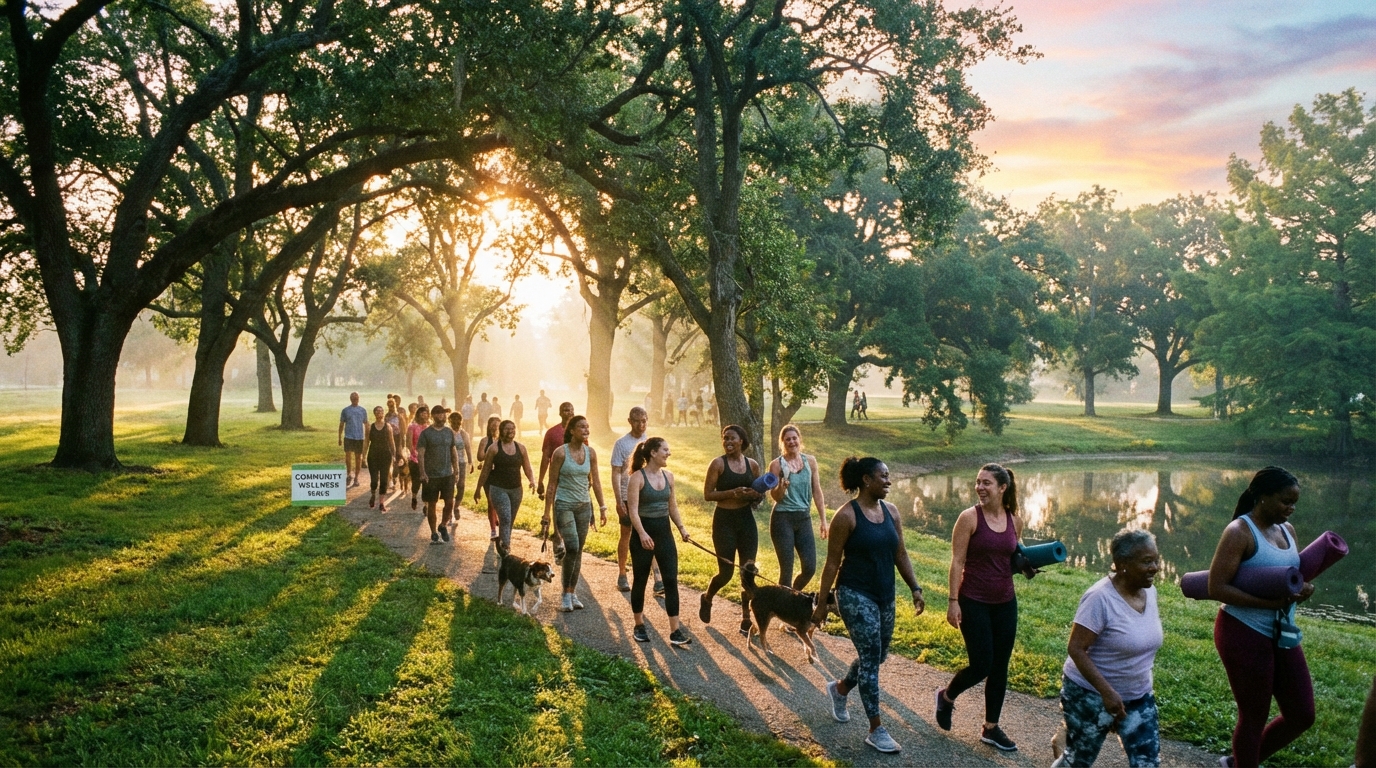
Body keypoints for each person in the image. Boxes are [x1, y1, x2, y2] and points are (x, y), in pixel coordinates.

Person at [813, 456, 925, 754]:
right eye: (883, 476)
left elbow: (900, 553)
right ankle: (876, 729)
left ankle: (839, 690)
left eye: (888, 476)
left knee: (877, 655)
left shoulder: (892, 512)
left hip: (884, 594)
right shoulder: (846, 516)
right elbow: (832, 562)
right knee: (871, 658)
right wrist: (823, 602)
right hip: (853, 592)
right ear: (866, 480)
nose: (889, 481)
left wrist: (915, 587)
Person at [1207, 466, 1315, 768]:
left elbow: (1290, 576)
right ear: (1262, 496)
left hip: (1282, 632)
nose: (1290, 509)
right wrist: (1267, 605)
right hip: (1242, 630)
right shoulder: (1239, 532)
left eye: (1294, 503)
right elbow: (1217, 587)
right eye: (1285, 502)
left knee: (1302, 714)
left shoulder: (1287, 530)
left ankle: (1236, 763)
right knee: (1254, 716)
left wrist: (1303, 589)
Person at [935, 463, 1025, 752]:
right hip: (973, 601)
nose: (980, 488)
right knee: (981, 664)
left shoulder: (1015, 521)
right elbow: (957, 562)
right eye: (978, 482)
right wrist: (953, 602)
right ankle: (947, 696)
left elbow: (1012, 560)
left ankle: (991, 728)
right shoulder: (969, 518)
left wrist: (1027, 567)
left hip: (1005, 602)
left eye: (987, 483)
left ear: (1002, 487)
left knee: (1000, 666)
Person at [1055, 529, 1164, 768]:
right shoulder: (1099, 598)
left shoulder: (1150, 592)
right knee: (1078, 761)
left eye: (1156, 560)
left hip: (1138, 696)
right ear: (1122, 564)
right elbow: (1076, 649)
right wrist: (1107, 693)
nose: (1155, 567)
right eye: (1147, 561)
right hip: (1089, 695)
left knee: (1147, 763)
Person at [625, 437, 692, 646]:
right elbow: (632, 511)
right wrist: (643, 534)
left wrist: (682, 529)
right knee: (641, 579)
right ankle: (639, 625)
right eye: (665, 449)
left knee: (671, 580)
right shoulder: (637, 478)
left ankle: (675, 631)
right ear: (653, 453)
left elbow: (672, 507)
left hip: (664, 533)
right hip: (642, 534)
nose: (668, 453)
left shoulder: (669, 477)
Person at [697, 425, 763, 635]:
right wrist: (732, 493)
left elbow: (759, 495)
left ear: (741, 441)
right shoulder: (718, 464)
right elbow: (708, 494)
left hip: (746, 521)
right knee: (725, 573)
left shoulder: (752, 465)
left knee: (748, 572)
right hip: (724, 521)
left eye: (732, 438)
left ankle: (745, 619)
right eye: (725, 438)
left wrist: (754, 495)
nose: (727, 442)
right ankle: (707, 598)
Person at [541, 415, 608, 612]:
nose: (586, 430)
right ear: (571, 431)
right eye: (581, 427)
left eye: (587, 427)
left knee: (578, 551)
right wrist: (547, 514)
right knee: (572, 546)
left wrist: (602, 507)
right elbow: (552, 485)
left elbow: (595, 481)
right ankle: (564, 594)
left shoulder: (591, 453)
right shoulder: (560, 453)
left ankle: (572, 592)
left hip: (584, 506)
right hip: (564, 505)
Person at [768, 425, 829, 591]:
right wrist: (781, 487)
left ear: (799, 440)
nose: (792, 442)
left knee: (810, 567)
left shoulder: (810, 461)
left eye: (794, 438)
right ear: (783, 442)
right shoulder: (776, 465)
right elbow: (775, 497)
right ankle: (784, 607)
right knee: (786, 570)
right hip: (782, 518)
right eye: (787, 439)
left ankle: (793, 595)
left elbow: (817, 490)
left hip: (803, 518)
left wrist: (823, 520)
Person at [611, 407, 660, 594]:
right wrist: (618, 500)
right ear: (629, 421)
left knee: (650, 533)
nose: (641, 425)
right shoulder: (621, 444)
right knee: (626, 533)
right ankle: (622, 573)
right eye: (637, 421)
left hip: (646, 495)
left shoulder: (651, 443)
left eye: (644, 421)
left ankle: (657, 577)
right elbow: (616, 472)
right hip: (626, 494)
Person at [475, 419, 538, 552]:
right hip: (498, 489)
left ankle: (503, 543)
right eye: (507, 428)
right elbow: (485, 470)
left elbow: (527, 467)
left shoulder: (521, 448)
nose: (510, 431)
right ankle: (506, 550)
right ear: (501, 430)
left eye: (513, 428)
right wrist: (478, 489)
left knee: (509, 521)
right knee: (505, 517)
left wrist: (532, 480)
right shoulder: (494, 448)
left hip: (516, 490)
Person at [416, 405, 461, 545]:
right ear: (432, 416)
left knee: (449, 502)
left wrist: (456, 470)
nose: (441, 416)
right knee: (432, 504)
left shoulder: (449, 432)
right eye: (437, 414)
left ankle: (442, 525)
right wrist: (422, 472)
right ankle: (434, 532)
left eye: (442, 414)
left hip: (447, 474)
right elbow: (421, 454)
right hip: (431, 476)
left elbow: (453, 451)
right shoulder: (426, 434)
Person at [538, 401, 577, 559]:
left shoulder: (579, 432)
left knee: (572, 509)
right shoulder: (552, 433)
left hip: (574, 479)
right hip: (557, 477)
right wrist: (540, 480)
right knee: (557, 507)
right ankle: (558, 538)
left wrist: (589, 478)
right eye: (565, 410)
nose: (568, 412)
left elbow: (585, 454)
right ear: (560, 413)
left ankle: (568, 540)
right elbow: (545, 457)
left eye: (571, 410)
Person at [362, 405, 396, 511]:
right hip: (373, 455)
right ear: (374, 413)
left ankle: (381, 502)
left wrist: (394, 455)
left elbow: (391, 442)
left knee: (384, 479)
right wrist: (363, 456)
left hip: (386, 455)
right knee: (374, 480)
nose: (379, 413)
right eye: (377, 411)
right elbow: (366, 442)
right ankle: (373, 494)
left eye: (381, 411)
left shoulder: (388, 426)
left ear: (383, 413)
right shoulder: (370, 427)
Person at [477, 415, 502, 540]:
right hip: (489, 475)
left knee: (500, 502)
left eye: (497, 426)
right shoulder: (484, 441)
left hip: (501, 474)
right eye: (493, 426)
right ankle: (493, 530)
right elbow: (479, 456)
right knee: (491, 502)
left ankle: (497, 518)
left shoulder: (504, 440)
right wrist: (491, 452)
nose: (495, 428)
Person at [447, 411, 473, 526]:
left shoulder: (464, 434)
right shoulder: (447, 433)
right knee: (450, 488)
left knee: (461, 486)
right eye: (454, 422)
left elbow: (468, 447)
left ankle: (456, 506)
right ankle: (449, 513)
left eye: (458, 422)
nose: (456, 425)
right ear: (450, 422)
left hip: (462, 462)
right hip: (449, 463)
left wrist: (471, 461)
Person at [338, 392, 367, 487]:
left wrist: (367, 437)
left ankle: (356, 477)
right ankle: (349, 474)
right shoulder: (345, 410)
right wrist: (339, 437)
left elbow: (366, 424)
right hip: (349, 437)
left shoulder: (363, 410)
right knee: (348, 456)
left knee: (358, 458)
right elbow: (341, 424)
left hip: (359, 437)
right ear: (350, 399)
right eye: (353, 398)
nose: (355, 399)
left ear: (359, 398)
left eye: (356, 397)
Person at [407, 404, 429, 511]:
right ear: (418, 414)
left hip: (427, 458)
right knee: (416, 481)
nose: (424, 416)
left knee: (426, 481)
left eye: (426, 414)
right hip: (414, 457)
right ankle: (414, 497)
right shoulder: (412, 427)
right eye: (422, 413)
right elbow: (409, 443)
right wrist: (414, 453)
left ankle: (426, 504)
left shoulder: (429, 427)